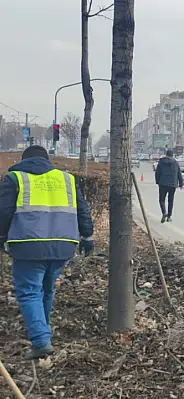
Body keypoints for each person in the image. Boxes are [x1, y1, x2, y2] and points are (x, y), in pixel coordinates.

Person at [0, 145, 94, 360]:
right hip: (63, 245)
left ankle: (41, 340)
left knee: (29, 291)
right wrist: (87, 237)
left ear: (24, 160)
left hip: (28, 245)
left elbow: (3, 212)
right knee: (46, 289)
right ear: (47, 159)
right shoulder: (67, 179)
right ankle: (43, 329)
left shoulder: (15, 178)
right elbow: (82, 209)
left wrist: (1, 238)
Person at [154, 150, 184, 223]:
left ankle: (164, 212)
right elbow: (179, 173)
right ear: (172, 155)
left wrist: (158, 181)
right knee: (171, 200)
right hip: (172, 184)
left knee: (162, 199)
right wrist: (181, 183)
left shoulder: (161, 162)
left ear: (166, 155)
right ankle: (169, 216)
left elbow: (157, 173)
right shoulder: (175, 163)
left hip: (163, 183)